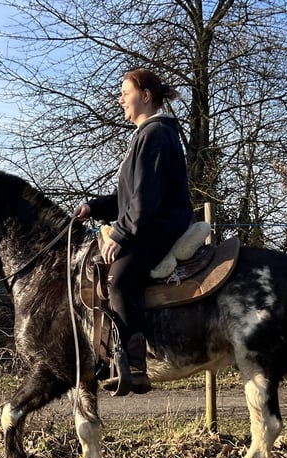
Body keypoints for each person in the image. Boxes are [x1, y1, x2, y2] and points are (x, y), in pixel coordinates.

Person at [74, 68, 194, 394]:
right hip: (148, 224)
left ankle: (135, 365)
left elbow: (145, 199)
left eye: (125, 93)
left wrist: (122, 235)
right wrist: (94, 208)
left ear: (145, 96)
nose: (120, 99)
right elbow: (128, 198)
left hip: (160, 228)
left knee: (119, 278)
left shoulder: (156, 134)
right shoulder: (145, 135)